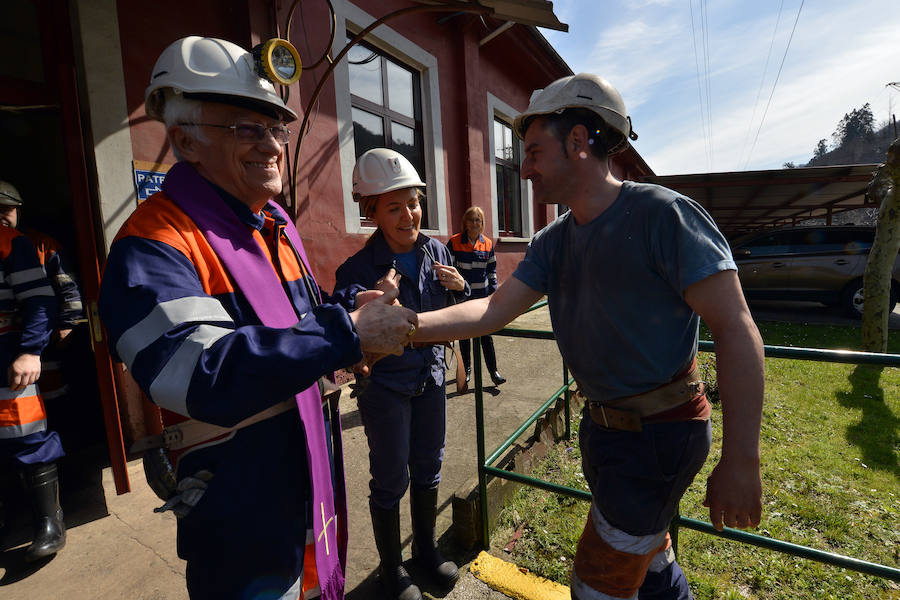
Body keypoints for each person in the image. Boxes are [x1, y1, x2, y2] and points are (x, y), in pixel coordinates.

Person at [410, 74, 764, 600]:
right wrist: (404, 326)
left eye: (533, 152)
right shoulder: (553, 241)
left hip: (659, 436)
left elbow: (737, 332)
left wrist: (741, 462)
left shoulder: (663, 216)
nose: (524, 168)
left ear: (578, 141)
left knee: (596, 586)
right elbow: (492, 309)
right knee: (650, 563)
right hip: (605, 433)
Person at [97, 37, 417, 600]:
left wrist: (350, 314)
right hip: (240, 509)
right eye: (245, 128)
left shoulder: (272, 224)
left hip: (305, 486)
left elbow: (307, 318)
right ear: (183, 140)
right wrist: (344, 333)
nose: (270, 145)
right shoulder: (152, 244)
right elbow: (199, 373)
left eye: (276, 128)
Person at [333, 148, 467, 600]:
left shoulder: (438, 250)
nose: (408, 214)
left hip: (430, 378)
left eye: (413, 202)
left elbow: (462, 309)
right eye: (394, 206)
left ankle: (426, 551)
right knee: (391, 476)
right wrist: (374, 300)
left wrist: (462, 287)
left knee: (430, 465)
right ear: (371, 212)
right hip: (386, 388)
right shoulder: (356, 271)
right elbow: (348, 327)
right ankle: (393, 569)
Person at [0, 179, 62, 561]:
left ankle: (48, 521)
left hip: (7, 356)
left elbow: (40, 299)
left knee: (28, 436)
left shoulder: (10, 242)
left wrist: (30, 351)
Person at [446, 206, 505, 387]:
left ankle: (493, 371)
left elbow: (491, 270)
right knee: (465, 336)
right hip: (462, 297)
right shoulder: (455, 242)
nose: (474, 223)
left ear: (482, 223)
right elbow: (450, 269)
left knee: (486, 335)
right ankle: (467, 371)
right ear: (466, 222)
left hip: (482, 297)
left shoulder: (487, 243)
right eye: (471, 219)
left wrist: (493, 292)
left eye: (478, 220)